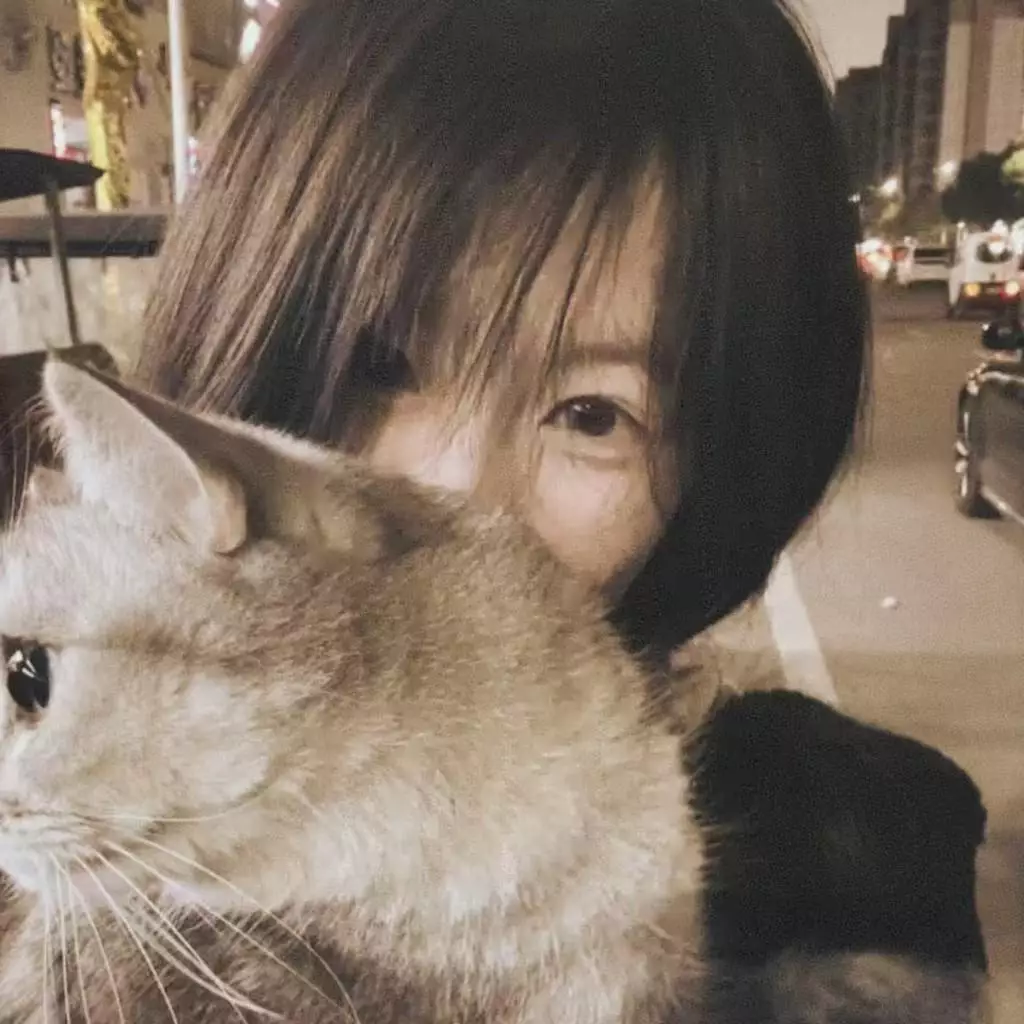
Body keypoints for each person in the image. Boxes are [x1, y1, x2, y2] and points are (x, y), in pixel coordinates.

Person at [133, 0, 987, 1016]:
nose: (450, 506)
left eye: (593, 414)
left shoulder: (850, 888)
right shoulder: (67, 821)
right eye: (380, 362)